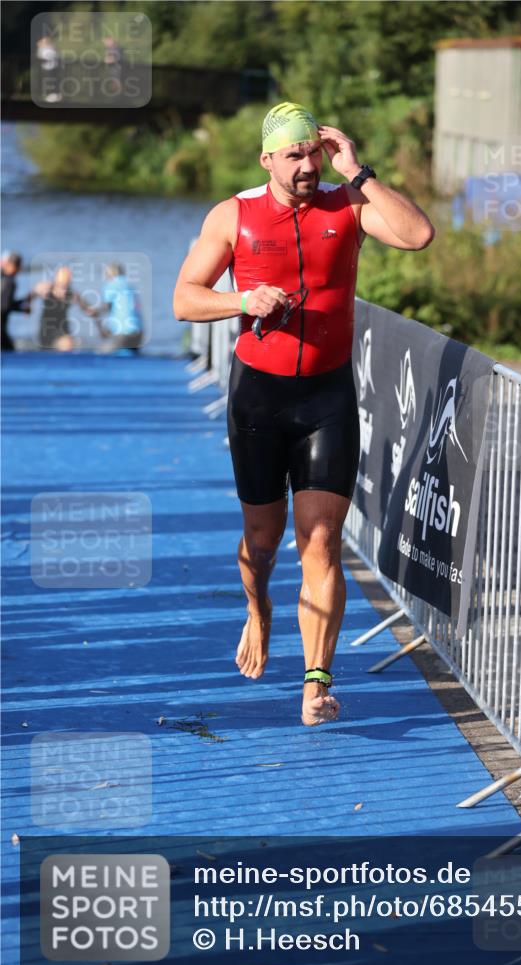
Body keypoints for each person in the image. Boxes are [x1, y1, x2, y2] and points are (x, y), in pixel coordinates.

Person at [173, 101, 434, 726]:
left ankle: (317, 681)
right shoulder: (233, 216)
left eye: (313, 153)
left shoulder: (347, 204)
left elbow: (419, 235)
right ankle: (258, 609)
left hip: (327, 397)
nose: (306, 166)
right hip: (259, 398)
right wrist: (241, 298)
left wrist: (358, 169)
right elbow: (184, 298)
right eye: (294, 156)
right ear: (267, 160)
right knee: (262, 544)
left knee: (320, 540)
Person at [32, 266, 91, 351]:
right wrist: (29, 303)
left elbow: (89, 311)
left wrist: (100, 328)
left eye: (67, 283)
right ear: (56, 279)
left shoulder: (72, 294)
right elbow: (32, 294)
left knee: (69, 343)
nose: (64, 288)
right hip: (47, 330)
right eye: (62, 283)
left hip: (63, 329)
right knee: (62, 345)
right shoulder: (47, 288)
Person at [90, 263, 143, 353]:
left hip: (123, 333)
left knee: (100, 353)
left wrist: (94, 311)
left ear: (110, 274)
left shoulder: (112, 284)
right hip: (138, 333)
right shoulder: (130, 285)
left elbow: (106, 307)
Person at [1, 252, 31, 351]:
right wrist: (22, 309)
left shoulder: (3, 278)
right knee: (10, 353)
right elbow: (4, 306)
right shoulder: (10, 282)